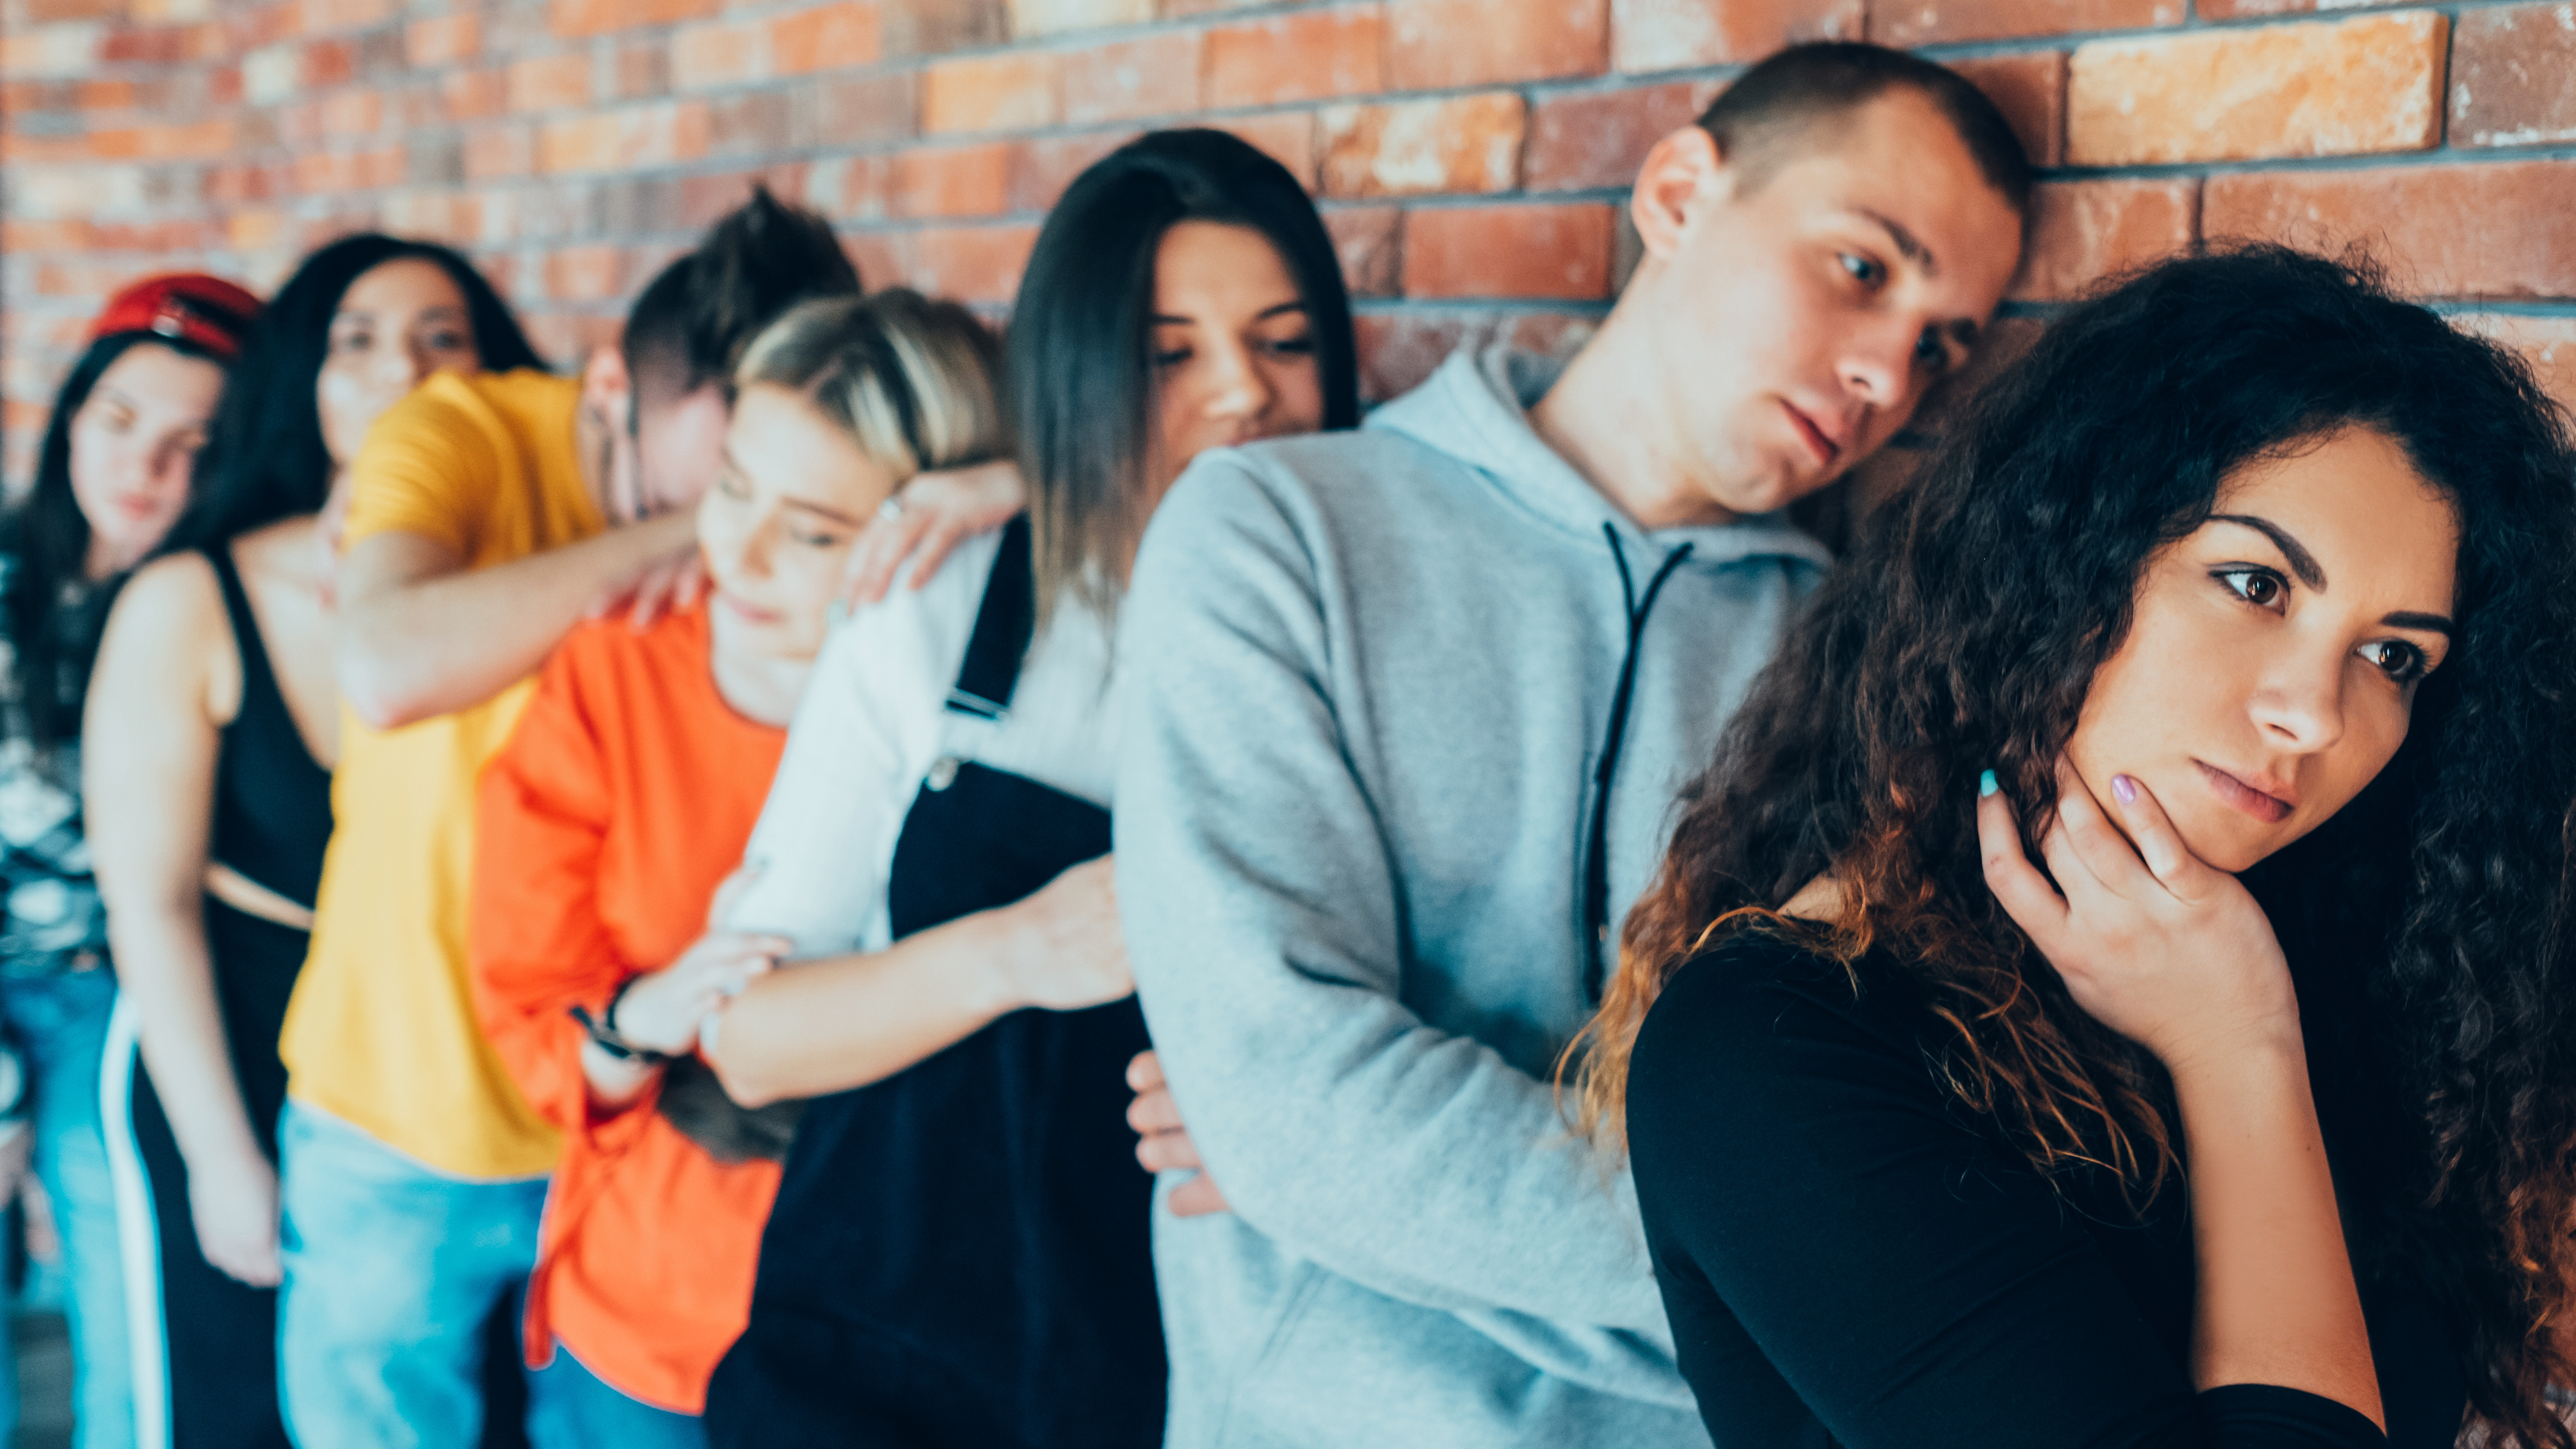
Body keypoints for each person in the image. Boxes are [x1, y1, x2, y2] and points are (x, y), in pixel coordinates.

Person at [1111, 42, 2030, 1446]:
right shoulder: (1275, 530)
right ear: (1675, 193)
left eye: (1938, 343)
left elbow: (1872, 1153)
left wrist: (1363, 1180)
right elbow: (1294, 1105)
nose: (1881, 376)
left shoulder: (1856, 667)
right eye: (1859, 269)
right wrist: (1765, 1255)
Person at [1579, 245, 2576, 1448]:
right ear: (2056, 566)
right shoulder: (1773, 1042)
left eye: (2393, 656)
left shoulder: (2351, 965)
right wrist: (2235, 1051)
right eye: (2254, 583)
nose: (2314, 716)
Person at [694, 126, 1359, 1448]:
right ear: (1072, 367)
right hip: (868, 1370)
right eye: (1168, 354)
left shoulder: (1373, 629)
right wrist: (1017, 949)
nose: (1242, 392)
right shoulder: (944, 599)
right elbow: (749, 1035)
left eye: (1283, 343)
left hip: (1180, 1392)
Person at [269, 188, 860, 1446]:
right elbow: (382, 662)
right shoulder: (457, 427)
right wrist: (658, 547)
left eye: (786, 502)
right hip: (409, 1111)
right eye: (715, 487)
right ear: (608, 392)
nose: (739, 550)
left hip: (634, 1135)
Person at [468, 288, 1007, 1446]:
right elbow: (525, 1012)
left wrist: (1026, 492)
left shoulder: (1005, 702)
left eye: (813, 531)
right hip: (657, 1312)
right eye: (730, 489)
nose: (742, 556)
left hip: (911, 1325)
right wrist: (638, 1018)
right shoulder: (618, 672)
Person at [88, 235, 541, 1449]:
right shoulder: (192, 598)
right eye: (355, 339)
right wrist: (223, 1156)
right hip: (239, 1034)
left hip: (464, 1064)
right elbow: (152, 902)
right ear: (305, 382)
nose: (403, 367)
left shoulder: (538, 585)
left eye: (444, 336)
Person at [1, 273, 259, 1449]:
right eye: (116, 421)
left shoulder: (225, 602)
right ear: (70, 419)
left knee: (133, 1319)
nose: (140, 469)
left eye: (187, 444)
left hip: (130, 998)